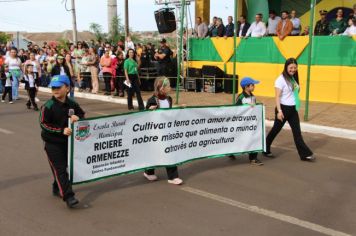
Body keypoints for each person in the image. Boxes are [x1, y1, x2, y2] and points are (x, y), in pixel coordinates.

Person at [39, 75, 85, 208]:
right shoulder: (48, 106)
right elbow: (43, 124)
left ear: (67, 88)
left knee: (65, 168)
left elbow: (82, 115)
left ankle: (56, 186)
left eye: (59, 87)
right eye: (53, 87)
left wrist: (78, 118)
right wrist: (61, 130)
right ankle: (69, 196)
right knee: (60, 169)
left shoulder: (72, 104)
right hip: (52, 143)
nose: (55, 90)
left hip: (69, 143)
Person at [264, 58, 314, 162]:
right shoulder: (280, 80)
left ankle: (304, 154)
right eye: (291, 67)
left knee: (297, 133)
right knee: (275, 130)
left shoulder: (293, 78)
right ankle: (265, 147)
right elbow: (277, 97)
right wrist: (279, 111)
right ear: (286, 67)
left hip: (292, 110)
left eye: (295, 67)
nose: (293, 69)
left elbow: (294, 92)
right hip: (282, 109)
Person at [144, 77, 183, 185]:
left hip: (167, 132)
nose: (170, 88)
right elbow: (145, 116)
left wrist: (180, 109)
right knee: (154, 153)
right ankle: (148, 171)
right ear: (161, 88)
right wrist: (149, 110)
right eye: (168, 86)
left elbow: (169, 114)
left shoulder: (169, 99)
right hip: (155, 133)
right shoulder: (152, 100)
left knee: (169, 152)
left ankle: (173, 176)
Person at [234, 77, 264, 165]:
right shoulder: (241, 97)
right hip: (242, 123)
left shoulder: (253, 96)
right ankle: (230, 151)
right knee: (238, 139)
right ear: (246, 87)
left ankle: (253, 158)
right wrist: (247, 105)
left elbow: (254, 108)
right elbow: (235, 110)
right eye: (252, 85)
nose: (254, 86)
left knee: (254, 138)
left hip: (251, 123)